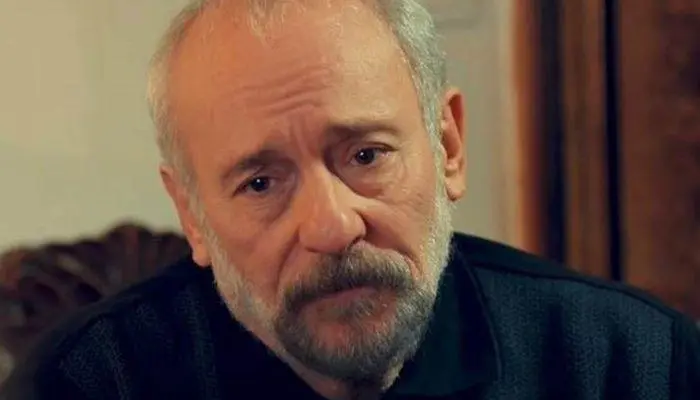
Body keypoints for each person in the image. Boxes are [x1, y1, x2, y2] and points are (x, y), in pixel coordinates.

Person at [2, 0, 699, 398]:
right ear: (192, 215)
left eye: (366, 156)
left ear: (448, 145)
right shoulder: (91, 384)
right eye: (260, 183)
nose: (333, 227)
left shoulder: (634, 366)